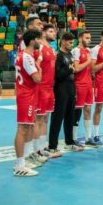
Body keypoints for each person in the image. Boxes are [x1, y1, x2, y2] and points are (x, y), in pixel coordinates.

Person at [13, 29, 42, 177]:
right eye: (39, 39)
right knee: (23, 128)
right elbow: (37, 79)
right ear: (32, 41)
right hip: (26, 96)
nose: (40, 42)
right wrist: (39, 66)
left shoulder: (22, 55)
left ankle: (23, 161)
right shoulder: (27, 57)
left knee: (28, 126)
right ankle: (19, 165)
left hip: (27, 94)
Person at [49, 33, 83, 154]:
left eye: (72, 42)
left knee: (70, 116)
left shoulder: (69, 55)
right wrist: (70, 69)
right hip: (61, 88)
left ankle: (69, 142)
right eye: (69, 42)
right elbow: (57, 75)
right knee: (58, 117)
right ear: (63, 41)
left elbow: (72, 71)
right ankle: (52, 146)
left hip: (70, 87)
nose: (71, 44)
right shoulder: (58, 55)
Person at [35, 24, 59, 159]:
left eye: (54, 31)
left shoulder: (51, 49)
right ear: (43, 34)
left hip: (50, 89)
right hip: (41, 88)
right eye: (51, 31)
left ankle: (43, 148)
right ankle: (36, 151)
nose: (54, 33)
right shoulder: (41, 48)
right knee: (38, 120)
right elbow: (36, 66)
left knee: (45, 119)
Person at [71, 31, 99, 147]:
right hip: (79, 85)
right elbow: (76, 68)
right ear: (80, 38)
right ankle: (73, 138)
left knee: (88, 110)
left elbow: (91, 68)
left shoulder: (88, 51)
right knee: (77, 111)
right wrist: (88, 62)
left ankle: (88, 138)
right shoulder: (76, 51)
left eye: (90, 38)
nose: (89, 40)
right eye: (87, 38)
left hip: (88, 85)